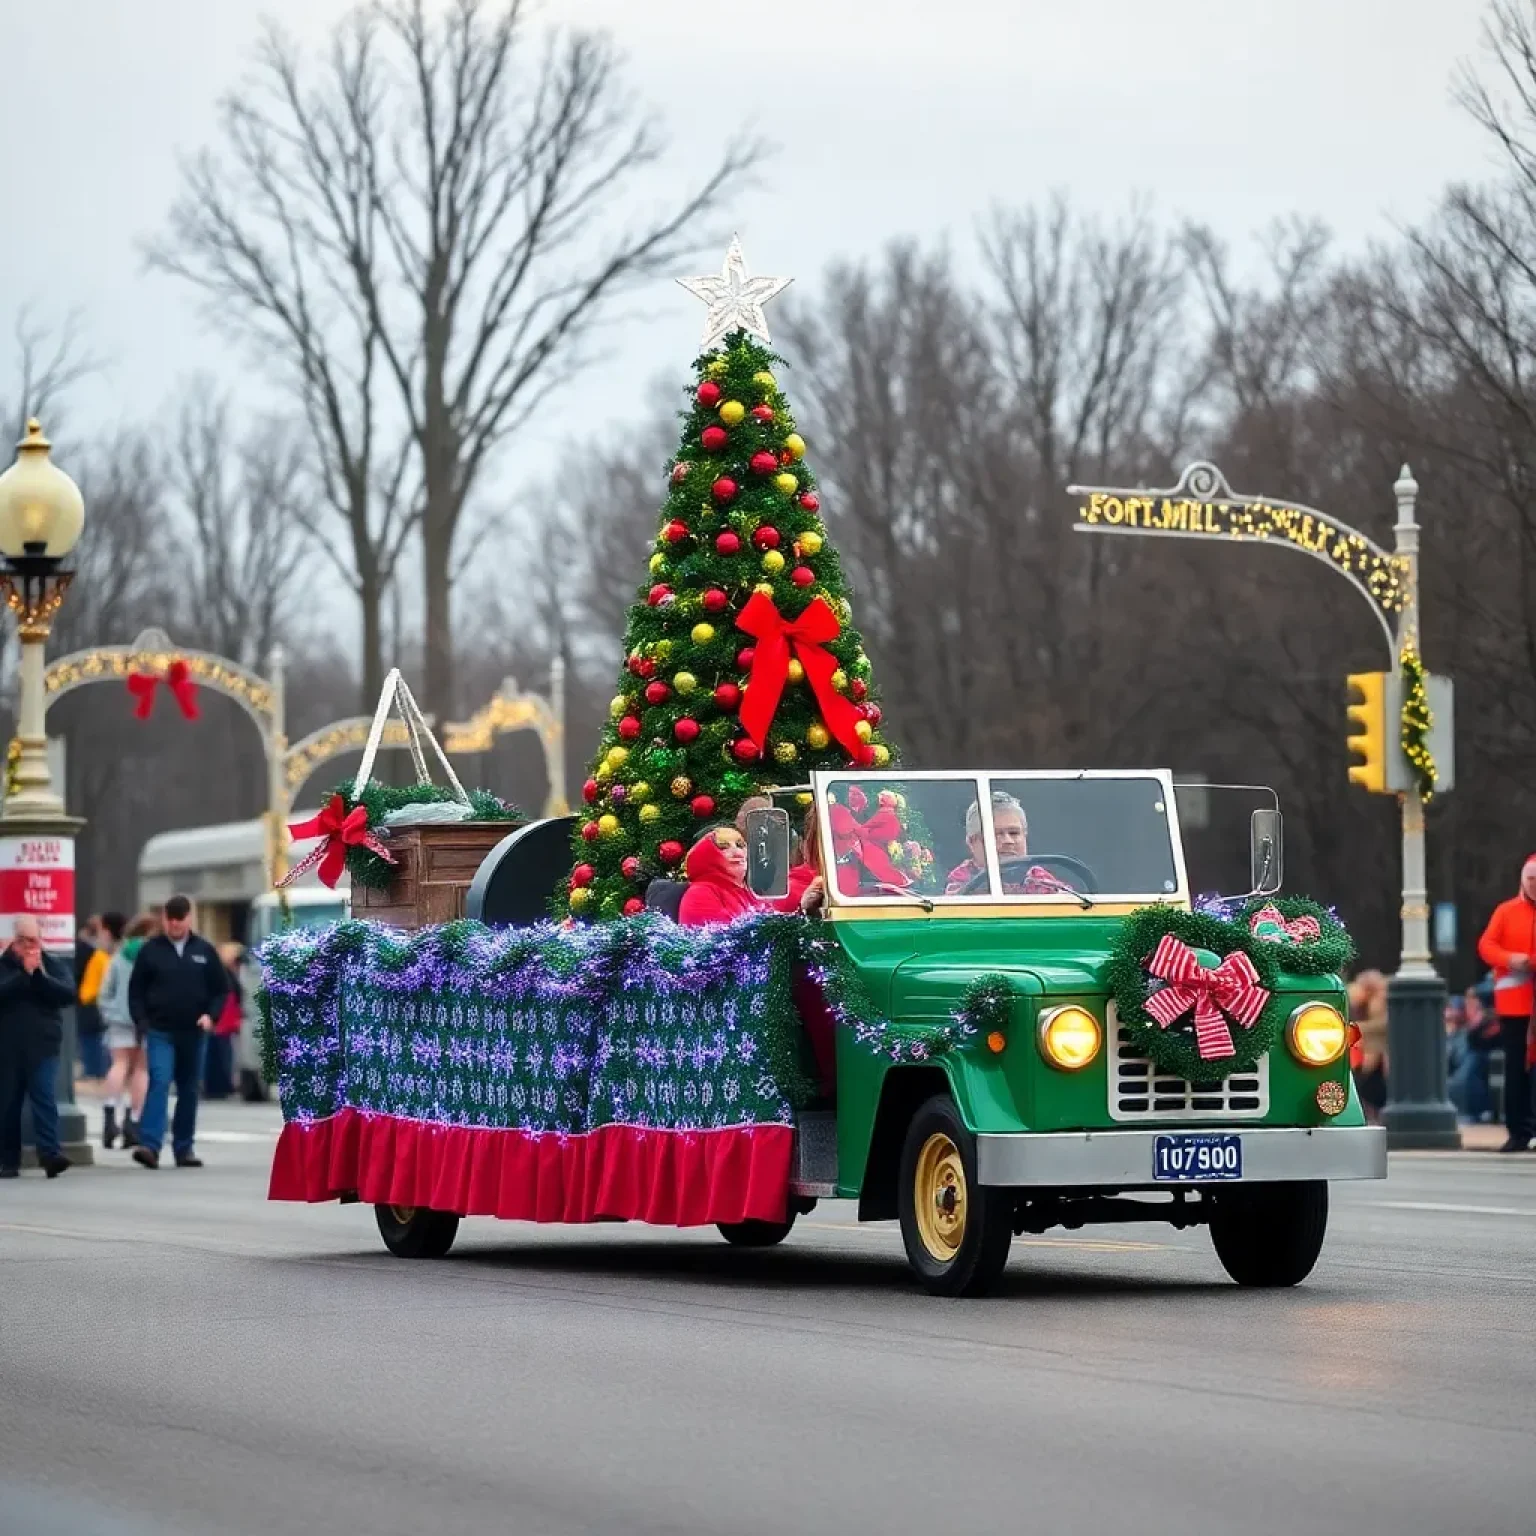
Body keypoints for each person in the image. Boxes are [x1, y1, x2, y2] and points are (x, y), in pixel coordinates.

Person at [128, 895, 229, 1170]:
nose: (174, 924)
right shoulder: (151, 950)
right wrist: (141, 1021)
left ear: (189, 919)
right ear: (164, 919)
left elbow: (220, 989)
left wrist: (212, 1015)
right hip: (161, 1030)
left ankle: (184, 1148)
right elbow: (136, 990)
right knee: (159, 1081)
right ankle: (150, 1145)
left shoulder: (204, 951)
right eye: (170, 918)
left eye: (179, 918)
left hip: (193, 1032)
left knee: (188, 1088)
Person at [0, 915, 78, 1177]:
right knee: (8, 1104)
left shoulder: (51, 964)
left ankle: (50, 1154)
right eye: (25, 941)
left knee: (44, 1098)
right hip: (9, 1047)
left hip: (43, 1046)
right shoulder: (5, 966)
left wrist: (38, 976)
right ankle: (8, 1160)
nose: (31, 947)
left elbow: (67, 993)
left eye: (35, 940)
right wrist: (23, 973)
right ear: (15, 941)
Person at [1477, 854, 1536, 1152]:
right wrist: (1510, 959)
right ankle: (1519, 1131)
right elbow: (1487, 945)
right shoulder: (1507, 911)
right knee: (1516, 1070)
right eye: (1531, 880)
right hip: (1515, 1006)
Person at [677, 825, 822, 927]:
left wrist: (804, 907)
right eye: (723, 847)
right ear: (706, 856)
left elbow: (772, 927)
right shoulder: (701, 893)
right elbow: (728, 943)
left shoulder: (749, 893)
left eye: (740, 845)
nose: (737, 853)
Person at [943, 791, 1077, 896]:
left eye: (1014, 833)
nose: (1008, 841)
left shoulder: (1041, 880)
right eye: (995, 834)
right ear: (972, 843)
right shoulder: (960, 885)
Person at [97, 914, 156, 1149]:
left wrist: (111, 1012)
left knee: (118, 1065)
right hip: (146, 1020)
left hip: (119, 1018)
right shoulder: (153, 957)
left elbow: (105, 991)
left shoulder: (119, 956)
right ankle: (133, 1122)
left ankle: (110, 1115)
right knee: (141, 1069)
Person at [1348, 969, 1389, 1124]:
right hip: (1363, 1050)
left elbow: (1381, 1026)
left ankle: (1371, 1111)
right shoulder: (1357, 1003)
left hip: (1374, 1051)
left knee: (1367, 1082)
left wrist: (1357, 1027)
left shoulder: (1380, 1001)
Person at [75, 914, 112, 1083]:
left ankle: (94, 1071)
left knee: (90, 1038)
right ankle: (97, 1071)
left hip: (89, 998)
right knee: (95, 1038)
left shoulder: (95, 954)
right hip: (93, 998)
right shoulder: (99, 954)